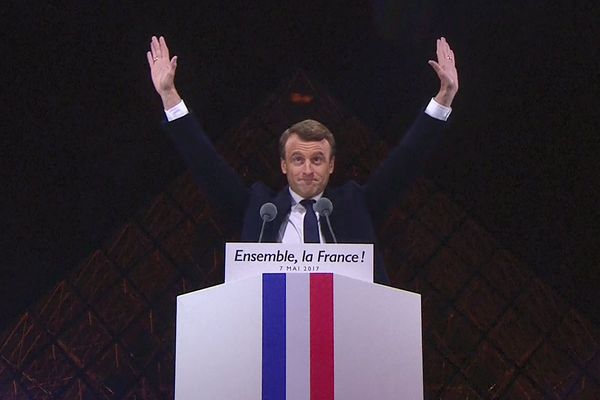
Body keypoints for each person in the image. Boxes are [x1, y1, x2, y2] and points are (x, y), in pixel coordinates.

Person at [147, 36, 459, 284]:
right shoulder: (259, 209)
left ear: (331, 165)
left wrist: (443, 98)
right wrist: (169, 97)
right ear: (283, 165)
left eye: (317, 159)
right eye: (298, 159)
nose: (308, 169)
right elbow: (206, 165)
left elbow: (405, 162)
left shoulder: (355, 204)